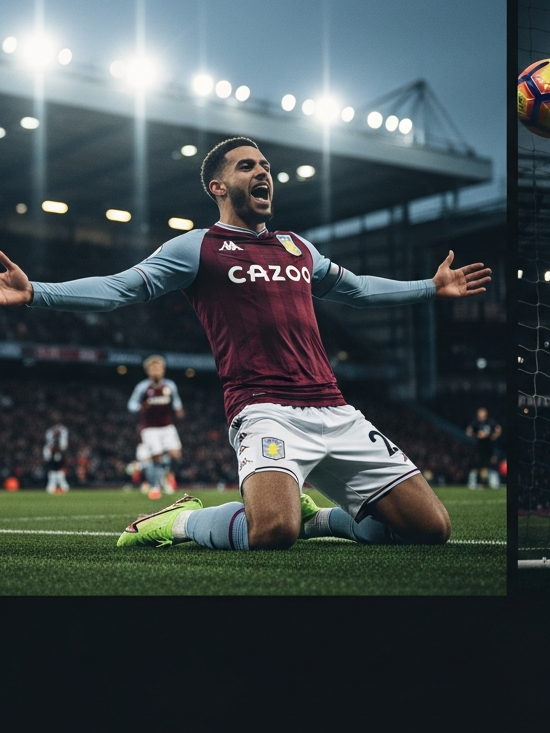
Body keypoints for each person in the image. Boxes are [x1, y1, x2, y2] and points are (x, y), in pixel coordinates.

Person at [0, 137, 491, 551]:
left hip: (334, 408)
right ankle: (178, 520)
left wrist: (431, 287)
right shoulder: (196, 246)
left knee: (430, 530)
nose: (263, 173)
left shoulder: (297, 247)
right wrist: (35, 293)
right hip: (263, 407)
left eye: (266, 167)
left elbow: (359, 289)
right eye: (247, 166)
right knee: (273, 533)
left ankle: (317, 519)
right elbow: (120, 288)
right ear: (218, 186)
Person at [127, 354, 184, 500]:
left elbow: (176, 400)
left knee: (176, 454)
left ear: (163, 370)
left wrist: (178, 409)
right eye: (153, 368)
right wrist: (141, 406)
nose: (156, 370)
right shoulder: (142, 387)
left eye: (158, 368)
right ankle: (154, 487)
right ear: (148, 371)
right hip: (150, 428)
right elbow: (131, 405)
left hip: (167, 426)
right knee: (156, 457)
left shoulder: (170, 385)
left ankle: (165, 475)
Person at [465, 406, 502, 488]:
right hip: (479, 447)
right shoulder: (475, 423)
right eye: (479, 415)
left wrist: (493, 436)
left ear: (486, 415)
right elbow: (468, 431)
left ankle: (493, 483)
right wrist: (476, 435)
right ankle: (476, 482)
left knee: (490, 464)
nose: (481, 417)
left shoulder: (490, 422)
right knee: (478, 464)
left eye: (482, 415)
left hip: (489, 447)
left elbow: (498, 429)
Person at [42, 416, 70, 495]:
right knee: (52, 469)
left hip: (59, 451)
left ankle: (63, 486)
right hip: (53, 451)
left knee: (58, 468)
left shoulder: (63, 431)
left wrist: (61, 450)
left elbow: (64, 444)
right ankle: (54, 485)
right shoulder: (50, 431)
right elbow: (48, 443)